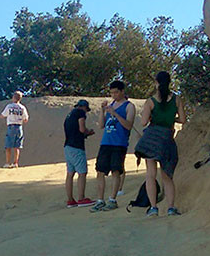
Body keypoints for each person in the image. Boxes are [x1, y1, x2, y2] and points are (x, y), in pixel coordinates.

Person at [134, 71, 186, 217]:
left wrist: (153, 116)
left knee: (151, 175)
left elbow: (144, 122)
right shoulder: (177, 100)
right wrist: (170, 119)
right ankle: (170, 208)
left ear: (156, 83)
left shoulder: (151, 101)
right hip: (167, 139)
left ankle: (153, 208)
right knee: (167, 176)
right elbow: (182, 119)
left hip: (151, 139)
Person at [90, 80, 136, 212]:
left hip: (119, 143)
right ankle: (100, 200)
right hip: (106, 142)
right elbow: (100, 125)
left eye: (116, 92)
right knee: (100, 171)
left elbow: (129, 125)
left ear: (122, 91)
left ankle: (112, 199)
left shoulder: (129, 106)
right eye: (112, 93)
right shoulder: (111, 105)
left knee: (116, 171)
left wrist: (115, 113)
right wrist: (102, 111)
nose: (114, 95)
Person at [63, 99, 96, 208]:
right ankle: (81, 198)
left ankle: (70, 200)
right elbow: (82, 129)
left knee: (70, 173)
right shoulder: (80, 113)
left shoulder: (69, 115)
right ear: (84, 107)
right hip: (77, 147)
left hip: (67, 146)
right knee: (82, 173)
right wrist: (88, 132)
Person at [0, 91, 29, 168]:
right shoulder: (22, 108)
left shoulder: (9, 106)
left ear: (13, 97)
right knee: (17, 147)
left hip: (11, 126)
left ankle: (7, 163)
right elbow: (26, 119)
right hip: (19, 127)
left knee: (8, 146)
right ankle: (15, 163)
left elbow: (2, 115)